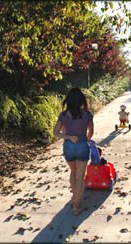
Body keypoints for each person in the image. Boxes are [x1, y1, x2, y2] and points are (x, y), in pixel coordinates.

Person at [53, 87, 94, 215]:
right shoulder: (87, 115)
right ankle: (76, 205)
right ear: (81, 100)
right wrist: (86, 139)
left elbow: (56, 132)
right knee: (80, 177)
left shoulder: (64, 115)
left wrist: (69, 137)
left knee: (73, 171)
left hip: (68, 147)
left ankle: (74, 196)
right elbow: (91, 133)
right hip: (82, 146)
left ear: (68, 101)